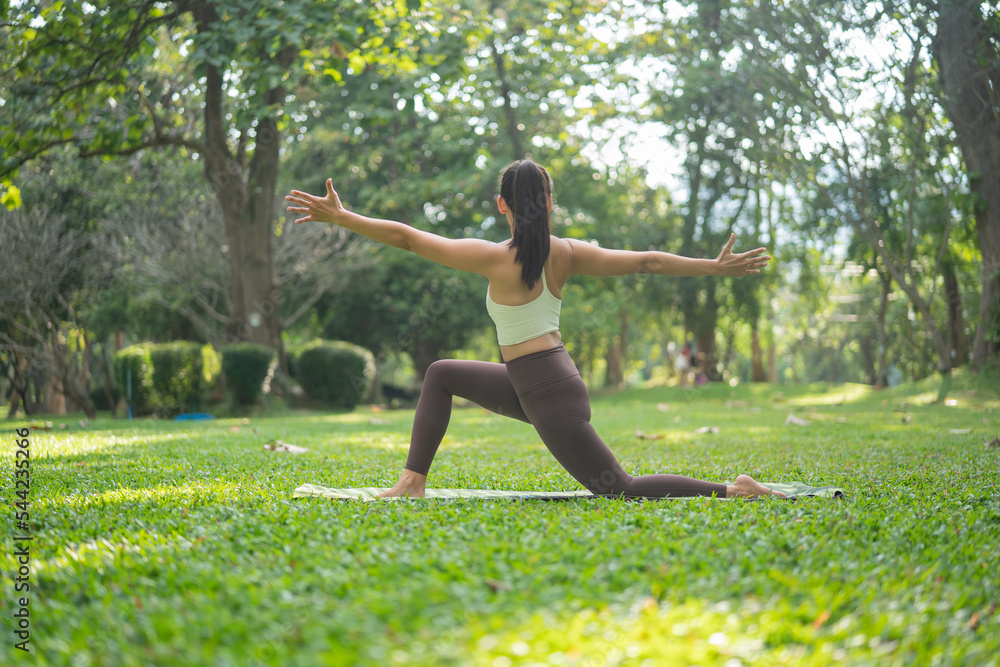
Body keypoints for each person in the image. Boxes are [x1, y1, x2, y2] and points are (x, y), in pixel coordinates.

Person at [285, 160, 784, 500]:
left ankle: (733, 489)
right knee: (441, 374)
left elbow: (409, 238)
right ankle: (413, 480)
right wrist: (712, 267)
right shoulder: (567, 253)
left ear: (502, 204)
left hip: (548, 393)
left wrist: (344, 217)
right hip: (539, 381)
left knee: (620, 489)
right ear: (548, 203)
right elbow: (648, 261)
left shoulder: (491, 257)